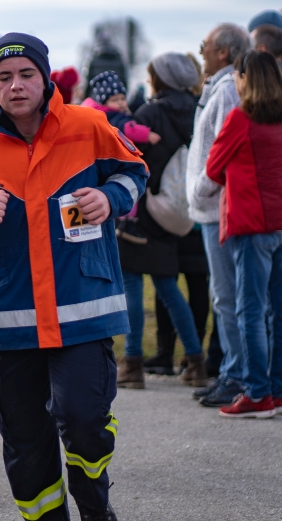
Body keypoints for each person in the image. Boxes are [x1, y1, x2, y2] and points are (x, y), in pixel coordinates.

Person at [0, 33, 148, 521]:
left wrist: (111, 200)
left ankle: (95, 509)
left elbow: (134, 171)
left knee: (85, 422)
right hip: (10, 319)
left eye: (26, 74)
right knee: (25, 440)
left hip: (83, 310)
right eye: (3, 77)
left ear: (45, 80)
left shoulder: (89, 126)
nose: (16, 85)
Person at [114, 53, 207, 389]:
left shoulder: (149, 113)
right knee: (169, 288)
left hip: (144, 213)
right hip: (182, 212)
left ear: (160, 78)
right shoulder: (201, 108)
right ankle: (196, 362)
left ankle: (133, 363)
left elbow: (128, 159)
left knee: (132, 287)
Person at [206, 50, 282, 418]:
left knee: (249, 310)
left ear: (244, 78)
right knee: (278, 311)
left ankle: (256, 393)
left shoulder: (241, 118)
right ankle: (278, 389)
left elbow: (213, 166)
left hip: (251, 223)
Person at [187, 23, 252, 407]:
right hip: (212, 208)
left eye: (205, 46)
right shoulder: (220, 87)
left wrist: (201, 189)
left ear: (224, 52)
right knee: (224, 296)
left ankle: (238, 375)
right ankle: (232, 371)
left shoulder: (228, 90)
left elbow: (226, 151)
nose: (201, 51)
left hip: (218, 209)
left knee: (228, 297)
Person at [82, 70, 160, 145]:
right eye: (114, 100)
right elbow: (128, 129)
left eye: (122, 98)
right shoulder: (112, 116)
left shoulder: (111, 113)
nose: (120, 102)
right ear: (104, 104)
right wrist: (147, 134)